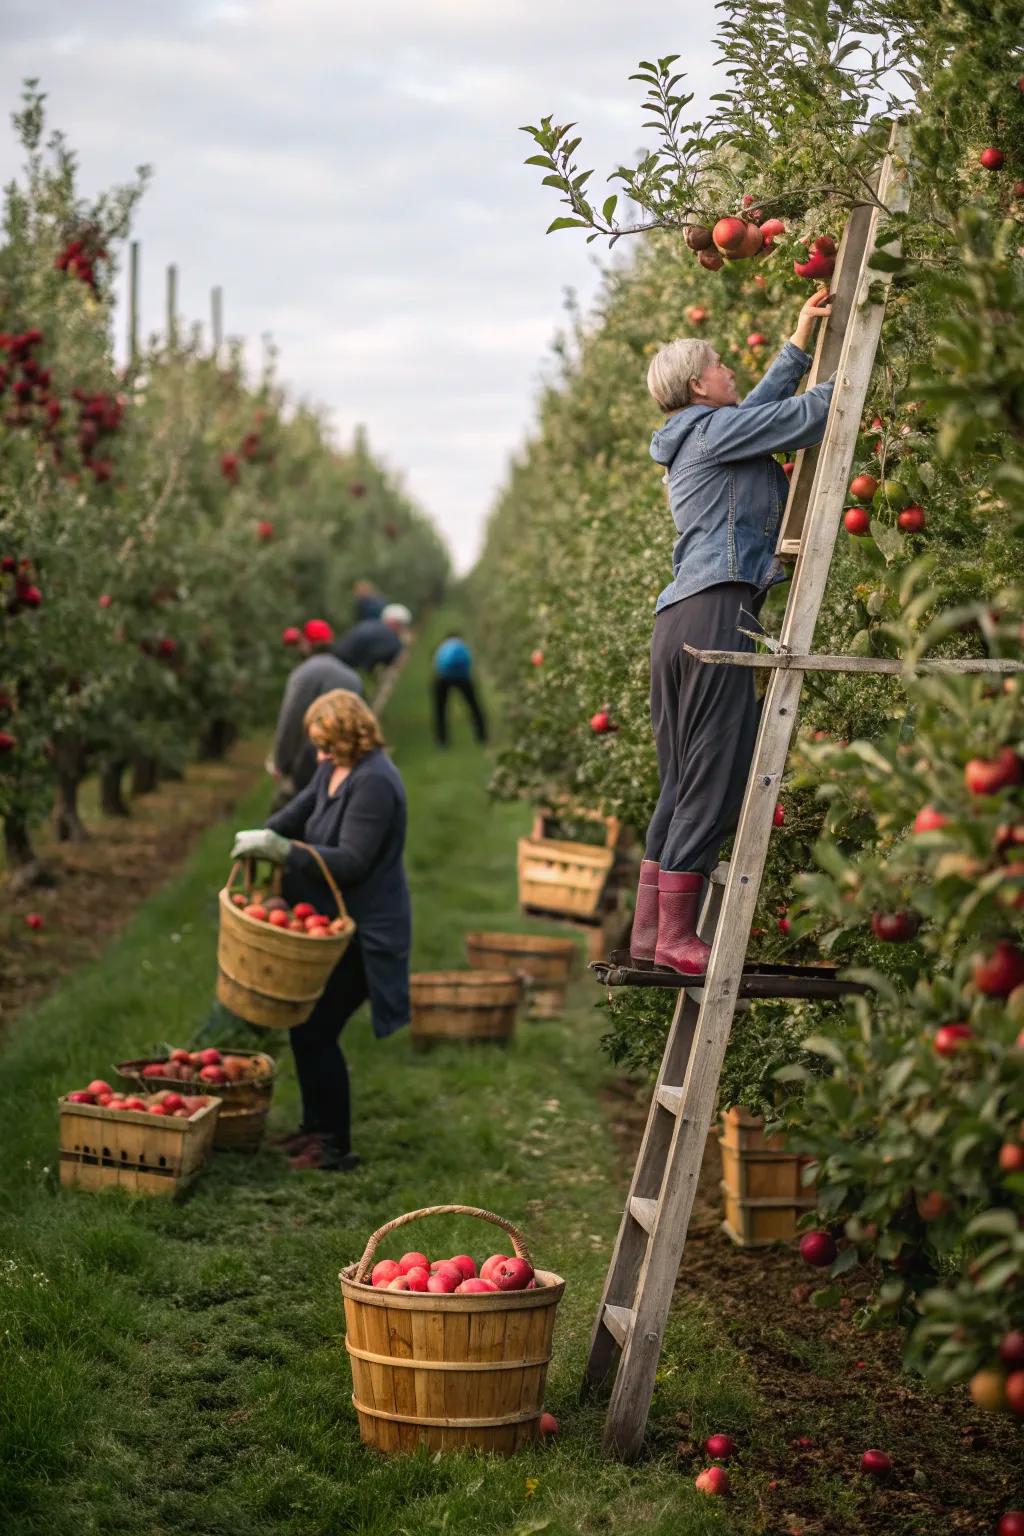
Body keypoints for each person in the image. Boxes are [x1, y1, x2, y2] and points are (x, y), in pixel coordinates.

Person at [630, 288, 834, 977]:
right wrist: (853, 378)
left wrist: (801, 343)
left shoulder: (700, 434)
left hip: (676, 618)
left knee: (683, 777)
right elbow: (802, 416)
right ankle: (677, 940)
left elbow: (758, 411)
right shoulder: (714, 431)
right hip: (717, 609)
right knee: (717, 771)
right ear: (698, 384)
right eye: (720, 367)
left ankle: (651, 929)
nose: (729, 373)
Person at [231, 689, 411, 1171]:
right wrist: (264, 837)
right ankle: (315, 1130)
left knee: (319, 1027)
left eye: (325, 743)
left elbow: (351, 862)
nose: (318, 754)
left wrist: (286, 852)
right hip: (329, 922)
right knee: (306, 1025)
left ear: (350, 736)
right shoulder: (334, 768)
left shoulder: (374, 781)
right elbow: (296, 814)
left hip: (364, 931)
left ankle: (335, 1146)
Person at [272, 619, 363, 795]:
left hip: (314, 760)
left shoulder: (304, 674)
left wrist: (281, 762)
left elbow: (291, 720)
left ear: (306, 644)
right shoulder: (351, 675)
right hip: (349, 757)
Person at [432, 631, 487, 747]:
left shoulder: (443, 646)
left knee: (441, 710)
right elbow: (469, 662)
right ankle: (482, 735)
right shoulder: (462, 646)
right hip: (462, 678)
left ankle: (442, 740)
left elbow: (437, 664)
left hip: (444, 678)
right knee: (473, 706)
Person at [332, 602, 411, 673]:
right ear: (395, 623)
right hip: (343, 666)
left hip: (336, 659)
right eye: (402, 625)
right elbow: (395, 655)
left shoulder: (371, 624)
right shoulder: (387, 635)